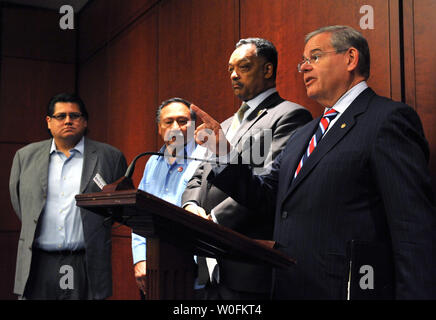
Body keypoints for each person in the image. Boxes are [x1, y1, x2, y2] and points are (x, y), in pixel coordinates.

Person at [192, 26, 436, 299]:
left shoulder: (387, 120)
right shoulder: (302, 136)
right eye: (303, 61)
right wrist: (223, 153)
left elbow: (413, 230)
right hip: (288, 287)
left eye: (315, 57)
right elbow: (263, 195)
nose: (304, 68)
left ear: (350, 58)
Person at [182, 38, 312, 299]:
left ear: (267, 70)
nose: (233, 75)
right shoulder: (226, 124)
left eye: (243, 67)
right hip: (208, 266)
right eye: (230, 68)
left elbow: (267, 187)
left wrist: (214, 220)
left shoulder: (288, 116)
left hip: (247, 265)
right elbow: (199, 176)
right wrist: (190, 208)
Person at [9, 93, 127, 300]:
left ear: (85, 121)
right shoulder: (25, 156)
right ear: (48, 122)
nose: (68, 121)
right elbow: (21, 203)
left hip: (85, 262)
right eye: (60, 116)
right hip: (38, 262)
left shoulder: (110, 157)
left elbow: (120, 206)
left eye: (75, 116)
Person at [131, 97, 205, 298]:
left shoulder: (207, 159)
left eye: (182, 121)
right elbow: (139, 215)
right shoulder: (152, 162)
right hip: (154, 270)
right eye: (168, 122)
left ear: (194, 125)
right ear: (159, 128)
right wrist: (140, 259)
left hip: (194, 274)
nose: (176, 127)